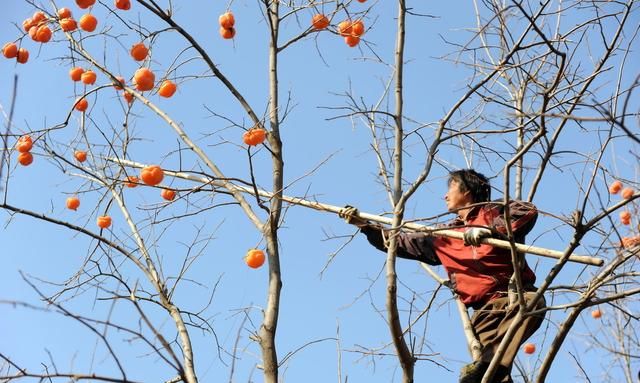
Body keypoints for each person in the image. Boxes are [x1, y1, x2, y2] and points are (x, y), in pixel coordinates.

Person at [339, 169, 546, 383]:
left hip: (516, 296)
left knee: (525, 313)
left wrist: (490, 231)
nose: (445, 196)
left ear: (467, 191)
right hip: (484, 313)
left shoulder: (494, 210)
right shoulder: (444, 236)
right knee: (491, 374)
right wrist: (364, 225)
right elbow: (398, 242)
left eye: (450, 189)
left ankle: (484, 368)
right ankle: (485, 370)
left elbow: (526, 210)